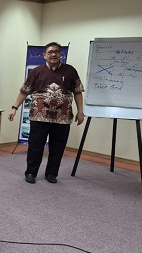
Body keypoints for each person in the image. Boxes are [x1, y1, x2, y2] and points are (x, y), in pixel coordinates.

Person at [8, 42, 85, 184]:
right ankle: (31, 172)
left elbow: (78, 92)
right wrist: (14, 108)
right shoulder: (37, 71)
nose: (53, 54)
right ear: (44, 55)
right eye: (50, 52)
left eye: (56, 51)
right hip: (39, 116)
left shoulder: (70, 71)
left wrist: (81, 111)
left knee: (58, 147)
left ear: (60, 54)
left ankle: (51, 173)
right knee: (35, 146)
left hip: (62, 117)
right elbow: (24, 91)